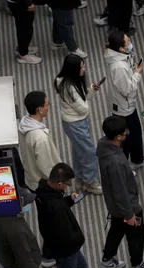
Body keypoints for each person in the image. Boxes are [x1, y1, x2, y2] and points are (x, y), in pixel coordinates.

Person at [36, 163, 109, 268]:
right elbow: (64, 232)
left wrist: (68, 200)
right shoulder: (54, 207)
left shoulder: (45, 193)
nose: (68, 186)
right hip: (66, 249)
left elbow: (58, 204)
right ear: (59, 183)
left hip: (66, 247)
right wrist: (79, 239)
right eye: (67, 184)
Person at [98, 115, 144, 268]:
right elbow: (120, 190)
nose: (127, 133)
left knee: (117, 229)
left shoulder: (103, 145)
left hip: (115, 207)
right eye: (125, 132)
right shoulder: (116, 162)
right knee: (137, 234)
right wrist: (130, 214)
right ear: (118, 137)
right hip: (128, 207)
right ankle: (137, 266)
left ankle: (107, 259)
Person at [55, 54, 103, 195]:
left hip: (73, 122)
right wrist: (87, 97)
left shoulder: (63, 80)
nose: (84, 69)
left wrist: (92, 90)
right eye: (82, 67)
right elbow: (84, 108)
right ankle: (90, 182)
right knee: (89, 153)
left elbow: (82, 99)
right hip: (76, 123)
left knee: (79, 151)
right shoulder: (69, 87)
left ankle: (80, 178)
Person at [105, 30, 144, 168]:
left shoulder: (122, 56)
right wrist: (137, 74)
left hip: (127, 104)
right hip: (123, 107)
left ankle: (137, 159)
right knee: (125, 138)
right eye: (128, 42)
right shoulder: (118, 67)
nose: (130, 43)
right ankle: (125, 166)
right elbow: (127, 89)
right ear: (120, 48)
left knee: (135, 133)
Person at [18, 91, 64, 207]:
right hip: (43, 183)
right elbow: (46, 165)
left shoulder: (24, 126)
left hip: (31, 178)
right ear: (39, 109)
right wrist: (59, 181)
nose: (48, 107)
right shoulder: (40, 138)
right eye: (47, 104)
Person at [7, 0, 40, 65]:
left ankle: (22, 48)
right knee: (25, 28)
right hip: (21, 3)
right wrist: (28, 2)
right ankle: (23, 55)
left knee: (22, 26)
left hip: (17, 3)